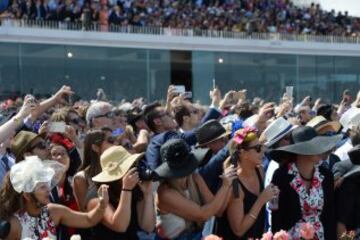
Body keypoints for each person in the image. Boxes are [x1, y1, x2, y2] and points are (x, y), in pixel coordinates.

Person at [0, 156, 109, 240]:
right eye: (42, 187)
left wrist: (102, 206)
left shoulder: (52, 211)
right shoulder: (14, 224)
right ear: (27, 195)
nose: (48, 189)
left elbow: (89, 220)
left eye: (47, 184)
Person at [155, 139, 236, 239]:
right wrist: (225, 186)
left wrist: (228, 184)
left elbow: (217, 211)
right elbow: (203, 215)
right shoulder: (165, 193)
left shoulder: (194, 178)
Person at [270, 126, 341, 239]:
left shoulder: (326, 175)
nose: (320, 150)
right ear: (300, 151)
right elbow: (276, 216)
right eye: (314, 146)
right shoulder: (280, 176)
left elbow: (330, 216)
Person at [216, 127, 279, 239]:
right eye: (257, 148)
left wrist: (273, 195)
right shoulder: (235, 184)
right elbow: (239, 230)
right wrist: (261, 200)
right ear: (243, 153)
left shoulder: (259, 170)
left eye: (261, 146)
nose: (263, 150)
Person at [86, 146, 155, 239]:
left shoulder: (135, 187)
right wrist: (126, 190)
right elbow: (120, 226)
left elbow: (148, 227)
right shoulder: (97, 195)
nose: (134, 169)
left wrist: (147, 194)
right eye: (130, 167)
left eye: (134, 165)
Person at [73, 129, 114, 211]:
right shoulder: (81, 178)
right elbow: (85, 212)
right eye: (110, 140)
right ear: (95, 147)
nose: (116, 144)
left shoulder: (115, 168)